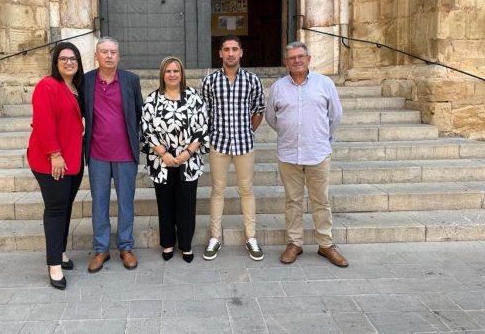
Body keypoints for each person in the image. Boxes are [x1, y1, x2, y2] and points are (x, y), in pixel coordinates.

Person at [265, 41, 348, 267]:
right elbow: (271, 117)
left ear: (309, 58)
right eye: (292, 58)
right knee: (293, 201)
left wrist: (321, 137)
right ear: (286, 62)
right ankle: (294, 243)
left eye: (300, 56)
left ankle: (326, 244)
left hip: (317, 153)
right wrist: (289, 133)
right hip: (288, 153)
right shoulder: (278, 87)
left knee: (320, 200)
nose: (297, 61)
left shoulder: (325, 83)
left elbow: (335, 115)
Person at [201, 35, 266, 261]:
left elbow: (259, 109)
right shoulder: (209, 81)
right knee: (217, 190)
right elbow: (205, 113)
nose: (230, 53)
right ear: (220, 53)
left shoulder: (252, 80)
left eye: (234, 49)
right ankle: (215, 238)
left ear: (241, 52)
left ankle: (251, 237)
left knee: (246, 190)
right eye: (226, 49)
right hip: (218, 144)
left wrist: (248, 131)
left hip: (244, 144)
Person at [81, 36, 143, 272]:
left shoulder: (131, 81)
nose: (108, 56)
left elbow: (139, 113)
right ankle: (101, 249)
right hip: (97, 153)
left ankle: (126, 247)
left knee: (126, 202)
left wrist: (136, 139)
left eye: (113, 52)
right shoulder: (86, 81)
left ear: (119, 56)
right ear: (96, 55)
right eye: (104, 52)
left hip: (125, 153)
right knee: (99, 203)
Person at [27, 42, 85, 290]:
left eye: (73, 58)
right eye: (64, 59)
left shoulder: (75, 88)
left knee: (66, 207)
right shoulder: (47, 85)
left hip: (73, 159)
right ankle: (54, 265)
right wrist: (54, 154)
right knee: (55, 210)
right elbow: (43, 122)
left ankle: (60, 252)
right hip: (52, 161)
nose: (69, 62)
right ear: (55, 62)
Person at [141, 57, 209, 263]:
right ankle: (168, 243)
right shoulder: (152, 99)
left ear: (182, 74)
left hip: (188, 161)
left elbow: (203, 127)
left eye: (176, 71)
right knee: (165, 204)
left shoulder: (194, 97)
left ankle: (186, 244)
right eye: (168, 71)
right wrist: (164, 154)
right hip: (161, 162)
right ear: (162, 74)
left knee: (187, 204)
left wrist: (186, 153)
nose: (172, 74)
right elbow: (146, 129)